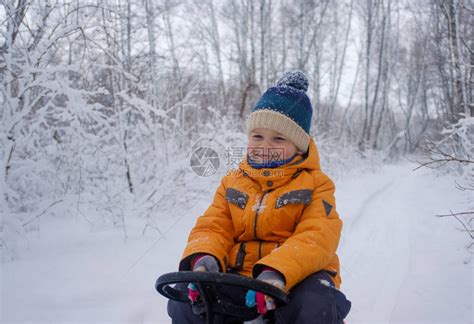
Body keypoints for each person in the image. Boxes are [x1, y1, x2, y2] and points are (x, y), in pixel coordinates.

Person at [168, 71, 351, 323]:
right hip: (239, 275)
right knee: (186, 299)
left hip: (297, 277)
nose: (265, 146)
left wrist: (277, 271)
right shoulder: (233, 180)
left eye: (279, 138)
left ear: (299, 145)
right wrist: (204, 256)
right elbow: (213, 225)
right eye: (257, 137)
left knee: (316, 305)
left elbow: (318, 235)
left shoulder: (317, 184)